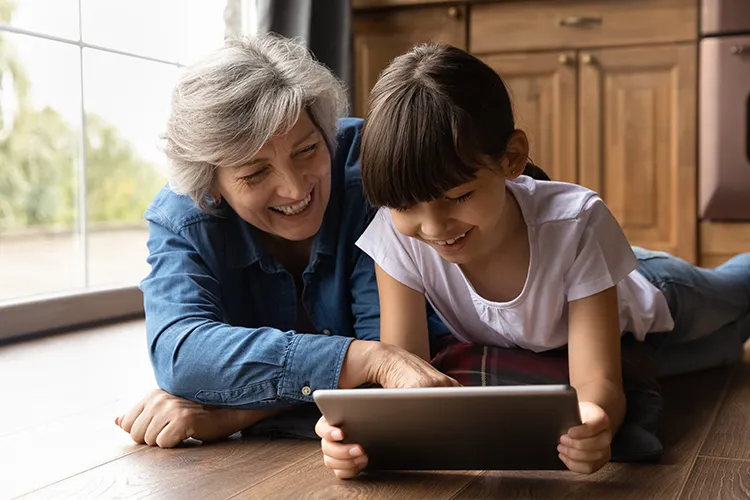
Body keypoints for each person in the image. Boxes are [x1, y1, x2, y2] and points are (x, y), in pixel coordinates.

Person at [316, 43, 750, 478]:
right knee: (728, 350)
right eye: (407, 206)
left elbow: (596, 382)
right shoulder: (395, 236)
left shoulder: (575, 221)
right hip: (617, 347)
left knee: (738, 292)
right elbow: (408, 370)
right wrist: (357, 441)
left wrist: (595, 419)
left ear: (512, 158)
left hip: (652, 293)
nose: (433, 228)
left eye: (458, 197)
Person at [114, 34, 465, 449]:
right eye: (255, 173)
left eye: (307, 150)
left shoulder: (374, 172)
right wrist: (363, 359)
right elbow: (181, 353)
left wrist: (233, 410)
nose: (295, 188)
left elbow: (393, 379)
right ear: (211, 185)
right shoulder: (184, 216)